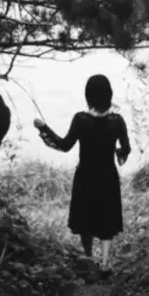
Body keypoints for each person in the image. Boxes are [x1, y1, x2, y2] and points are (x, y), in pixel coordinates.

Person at [33, 74, 131, 275]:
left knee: (86, 218)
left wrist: (44, 128)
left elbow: (64, 145)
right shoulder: (117, 121)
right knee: (106, 219)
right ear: (109, 95)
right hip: (108, 176)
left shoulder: (81, 120)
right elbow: (126, 149)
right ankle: (105, 263)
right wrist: (118, 152)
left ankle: (89, 258)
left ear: (88, 96)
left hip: (85, 176)